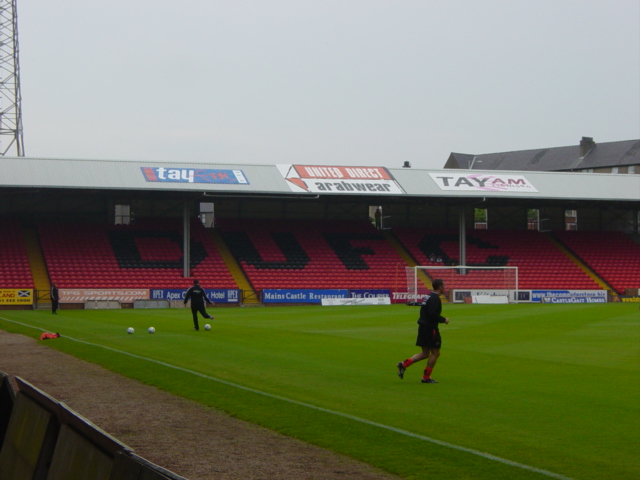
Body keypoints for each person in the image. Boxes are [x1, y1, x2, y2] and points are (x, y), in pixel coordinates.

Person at [397, 279, 450, 383]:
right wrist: (444, 320)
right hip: (430, 328)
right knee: (435, 353)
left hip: (422, 327)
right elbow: (432, 314)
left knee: (425, 353)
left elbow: (425, 307)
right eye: (444, 285)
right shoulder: (435, 298)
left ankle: (403, 364)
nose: (445, 287)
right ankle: (426, 377)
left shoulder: (429, 296)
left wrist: (413, 303)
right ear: (439, 287)